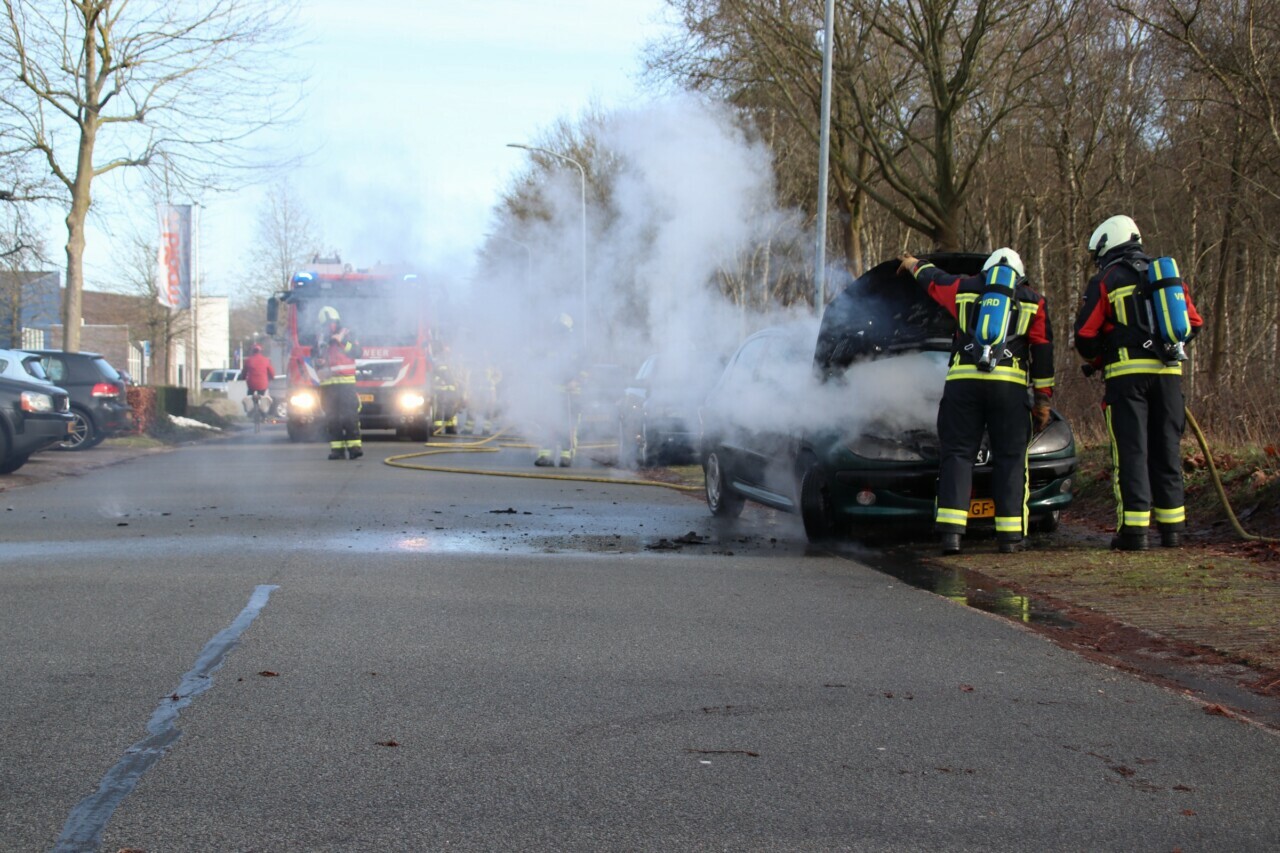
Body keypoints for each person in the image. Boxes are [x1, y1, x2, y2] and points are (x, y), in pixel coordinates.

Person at [898, 248, 1056, 555]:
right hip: (1009, 389)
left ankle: (951, 536)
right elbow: (1043, 352)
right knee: (1011, 458)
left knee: (957, 455)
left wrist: (912, 263)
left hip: (963, 386)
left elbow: (933, 280)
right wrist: (1043, 401)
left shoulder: (963, 288)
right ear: (1019, 274)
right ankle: (1010, 538)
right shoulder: (1033, 301)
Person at [1073, 215, 1204, 551]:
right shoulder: (1167, 276)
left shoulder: (1107, 279)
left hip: (1127, 378)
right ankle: (1172, 531)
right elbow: (1193, 322)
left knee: (1131, 452)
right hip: (1169, 376)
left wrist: (1099, 358)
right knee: (1167, 450)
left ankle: (1134, 532)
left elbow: (1085, 335)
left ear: (1107, 244)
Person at [314, 305, 363, 460]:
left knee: (349, 416)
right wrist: (318, 359)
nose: (330, 326)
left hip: (346, 383)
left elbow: (357, 352)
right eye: (326, 324)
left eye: (332, 322)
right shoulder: (320, 337)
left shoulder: (347, 334)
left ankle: (354, 448)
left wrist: (342, 342)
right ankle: (337, 450)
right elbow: (314, 353)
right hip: (328, 384)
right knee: (332, 418)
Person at [533, 313, 583, 468]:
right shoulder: (548, 347)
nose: (558, 334)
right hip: (551, 394)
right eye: (556, 330)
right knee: (547, 424)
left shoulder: (578, 349)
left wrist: (576, 381)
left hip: (570, 395)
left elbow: (585, 369)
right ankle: (545, 456)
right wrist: (544, 379)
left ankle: (566, 456)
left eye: (561, 330)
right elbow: (539, 366)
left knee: (567, 425)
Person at [241, 344, 275, 417]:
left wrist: (243, 378)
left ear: (253, 351)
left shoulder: (248, 360)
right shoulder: (266, 360)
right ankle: (264, 414)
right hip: (263, 384)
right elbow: (271, 372)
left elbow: (244, 372)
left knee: (249, 395)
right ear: (260, 351)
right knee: (263, 397)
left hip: (251, 384)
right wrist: (272, 377)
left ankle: (249, 412)